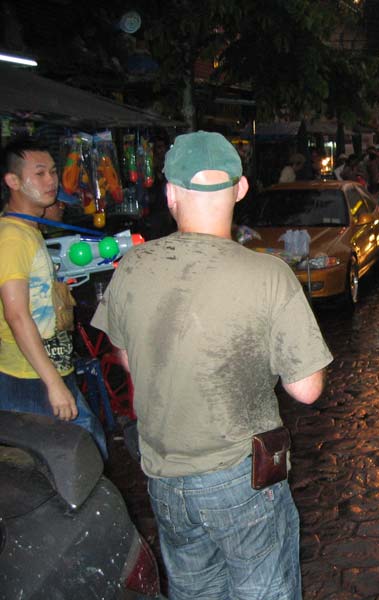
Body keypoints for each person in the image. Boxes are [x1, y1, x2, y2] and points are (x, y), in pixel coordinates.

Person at [90, 131, 332, 599]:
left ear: (171, 193)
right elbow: (307, 389)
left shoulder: (133, 265)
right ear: (240, 190)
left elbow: (123, 354)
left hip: (163, 479)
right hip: (241, 479)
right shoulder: (269, 275)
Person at [0, 136, 107, 458]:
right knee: (81, 457)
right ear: (13, 181)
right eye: (40, 173)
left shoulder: (28, 231)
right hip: (27, 377)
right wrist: (53, 384)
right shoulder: (13, 237)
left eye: (53, 172)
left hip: (46, 369)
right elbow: (16, 315)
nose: (52, 181)